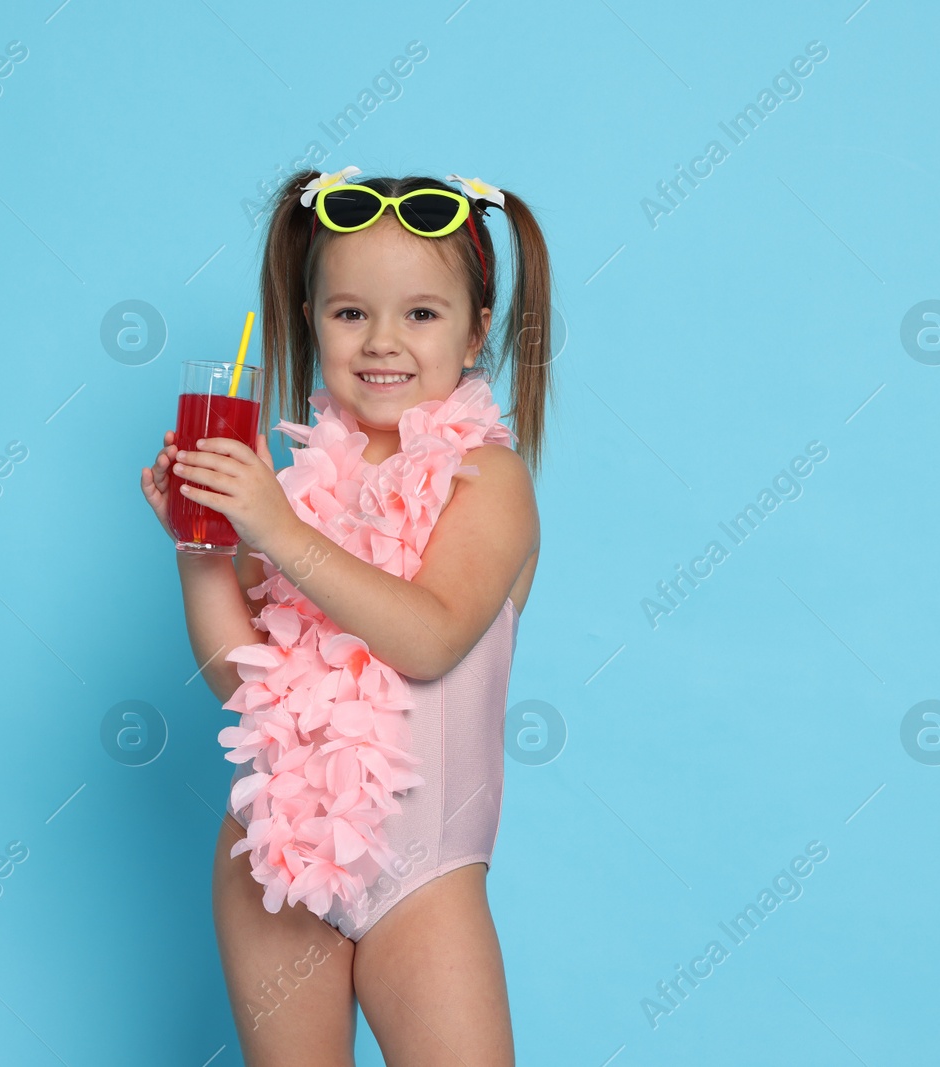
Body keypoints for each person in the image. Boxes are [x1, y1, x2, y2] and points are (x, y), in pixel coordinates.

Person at [140, 166, 555, 1065]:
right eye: (350, 312)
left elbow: (431, 633)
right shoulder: (300, 487)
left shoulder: (490, 483)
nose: (382, 341)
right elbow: (240, 679)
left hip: (425, 881)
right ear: (310, 320)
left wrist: (275, 527)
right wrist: (201, 545)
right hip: (278, 859)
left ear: (477, 329)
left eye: (421, 313)